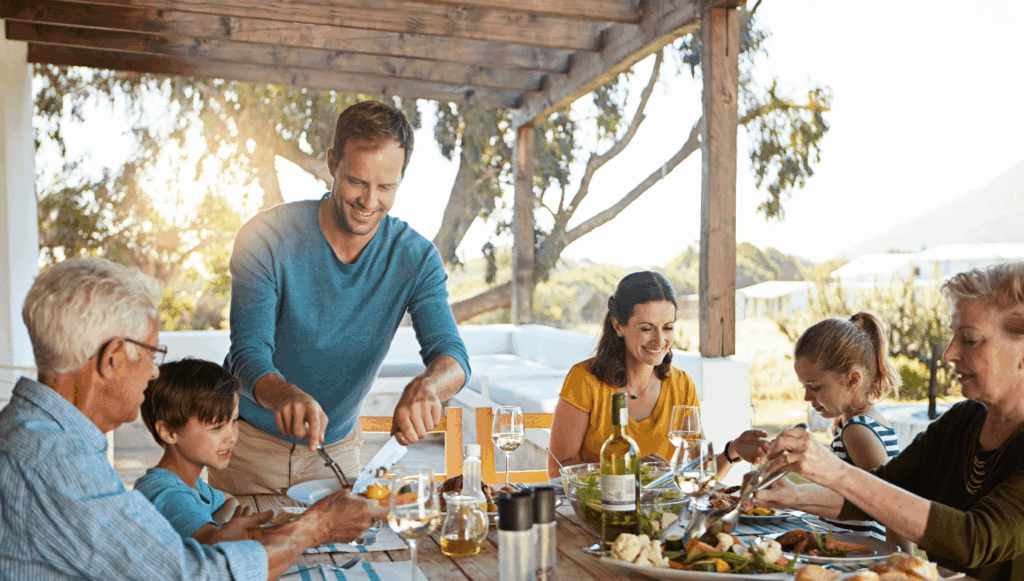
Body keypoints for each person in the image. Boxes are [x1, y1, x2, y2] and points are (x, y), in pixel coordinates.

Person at [0, 257, 384, 581]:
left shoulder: (35, 435)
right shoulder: (54, 461)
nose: (153, 373)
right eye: (153, 353)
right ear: (114, 358)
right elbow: (191, 576)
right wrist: (315, 527)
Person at [214, 100, 470, 495]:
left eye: (386, 187)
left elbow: (452, 355)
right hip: (246, 449)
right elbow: (248, 354)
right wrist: (283, 394)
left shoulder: (415, 257)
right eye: (357, 182)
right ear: (333, 162)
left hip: (338, 454)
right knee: (245, 556)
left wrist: (430, 387)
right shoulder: (265, 237)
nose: (369, 202)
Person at [758, 262, 1024, 581]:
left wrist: (836, 471)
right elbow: (882, 490)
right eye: (953, 336)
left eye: (969, 339)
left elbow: (974, 538)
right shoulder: (963, 419)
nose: (949, 353)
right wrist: (795, 497)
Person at [546, 271, 769, 479]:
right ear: (618, 326)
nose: (660, 341)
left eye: (668, 327)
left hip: (657, 516)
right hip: (592, 511)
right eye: (646, 328)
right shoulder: (584, 380)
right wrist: (630, 469)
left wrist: (733, 450)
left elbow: (699, 473)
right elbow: (558, 468)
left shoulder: (681, 386)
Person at [793, 312, 901, 540]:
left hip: (861, 559)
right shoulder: (856, 423)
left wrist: (901, 563)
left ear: (853, 380)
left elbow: (890, 505)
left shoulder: (858, 431)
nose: (807, 397)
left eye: (815, 387)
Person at [135, 358, 259, 544]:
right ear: (169, 432)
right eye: (216, 427)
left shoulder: (192, 485)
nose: (231, 436)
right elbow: (212, 546)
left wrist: (217, 525)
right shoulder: (168, 494)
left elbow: (229, 500)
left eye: (234, 421)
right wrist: (222, 532)